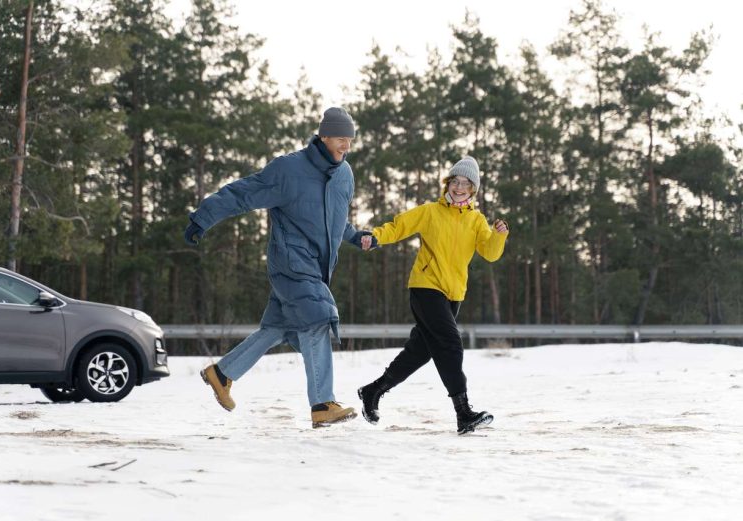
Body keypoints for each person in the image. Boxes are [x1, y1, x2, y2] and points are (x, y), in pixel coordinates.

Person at [184, 107, 370, 428]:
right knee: (317, 318)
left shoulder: (344, 175)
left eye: (350, 139)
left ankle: (222, 373)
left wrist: (356, 236)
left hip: (317, 266)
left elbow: (336, 218)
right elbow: (244, 193)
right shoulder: (289, 169)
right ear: (324, 136)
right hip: (290, 262)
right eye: (341, 138)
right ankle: (322, 404)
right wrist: (203, 218)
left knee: (278, 328)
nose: (346, 145)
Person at [358, 156, 509, 434]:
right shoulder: (430, 212)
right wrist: (374, 236)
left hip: (454, 294)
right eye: (455, 181)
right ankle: (463, 413)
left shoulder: (477, 220)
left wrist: (498, 235)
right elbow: (398, 226)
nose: (459, 187)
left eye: (466, 183)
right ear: (447, 184)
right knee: (450, 343)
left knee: (419, 352)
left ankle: (373, 390)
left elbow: (490, 253)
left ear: (473, 189)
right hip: (425, 287)